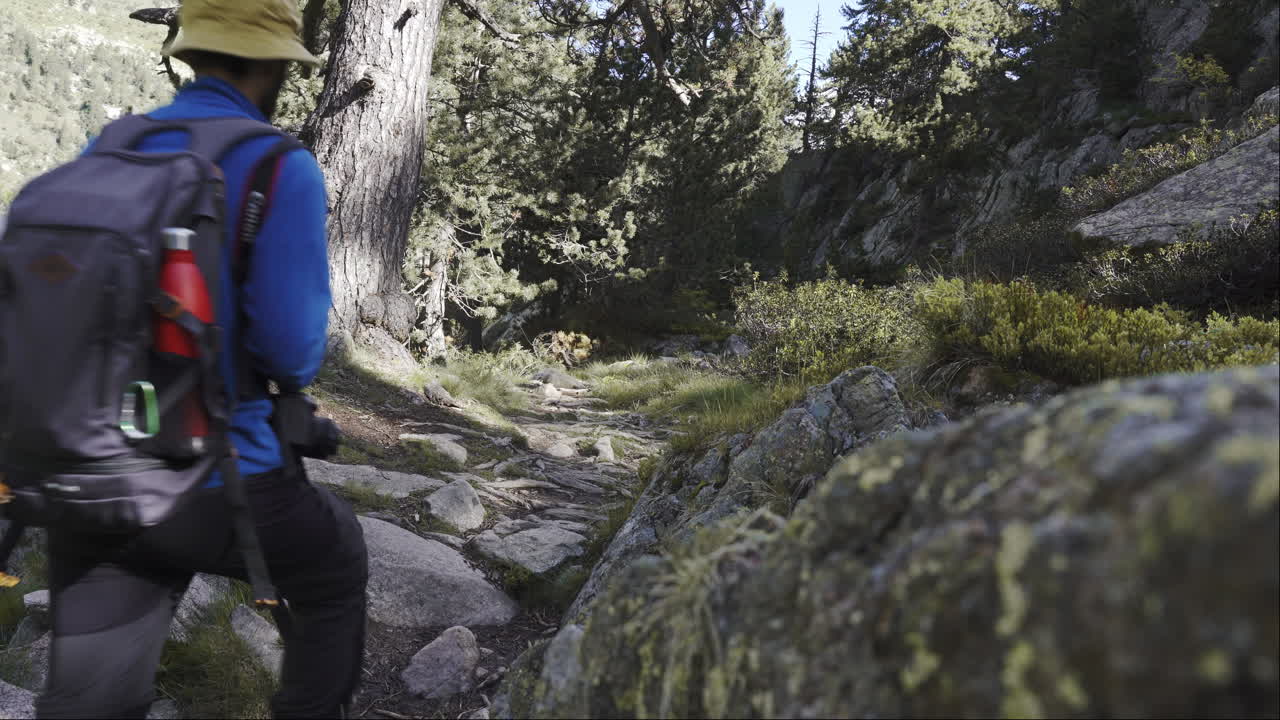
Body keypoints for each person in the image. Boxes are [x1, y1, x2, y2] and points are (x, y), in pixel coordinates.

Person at [35, 1, 368, 718]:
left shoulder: (110, 146)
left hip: (88, 471)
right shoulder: (280, 165)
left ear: (188, 54)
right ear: (273, 62)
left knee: (87, 704)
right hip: (218, 481)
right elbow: (292, 350)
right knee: (334, 566)